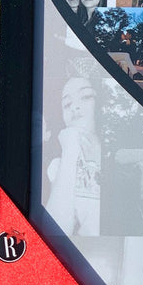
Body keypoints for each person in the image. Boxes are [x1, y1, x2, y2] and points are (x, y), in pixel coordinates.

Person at [46, 76, 101, 236]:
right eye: (67, 104)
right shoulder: (58, 167)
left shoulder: (117, 153)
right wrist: (69, 152)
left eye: (86, 96)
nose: (74, 107)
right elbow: (55, 230)